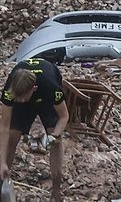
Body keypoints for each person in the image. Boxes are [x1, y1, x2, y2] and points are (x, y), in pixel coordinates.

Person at [0, 58, 69, 202]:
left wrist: (54, 136)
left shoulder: (51, 88)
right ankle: (3, 181)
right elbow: (4, 127)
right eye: (18, 97)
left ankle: (56, 191)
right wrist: (2, 162)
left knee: (56, 142)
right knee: (13, 136)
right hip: (22, 95)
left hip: (46, 100)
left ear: (34, 89)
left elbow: (64, 116)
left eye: (23, 97)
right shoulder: (10, 91)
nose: (21, 100)